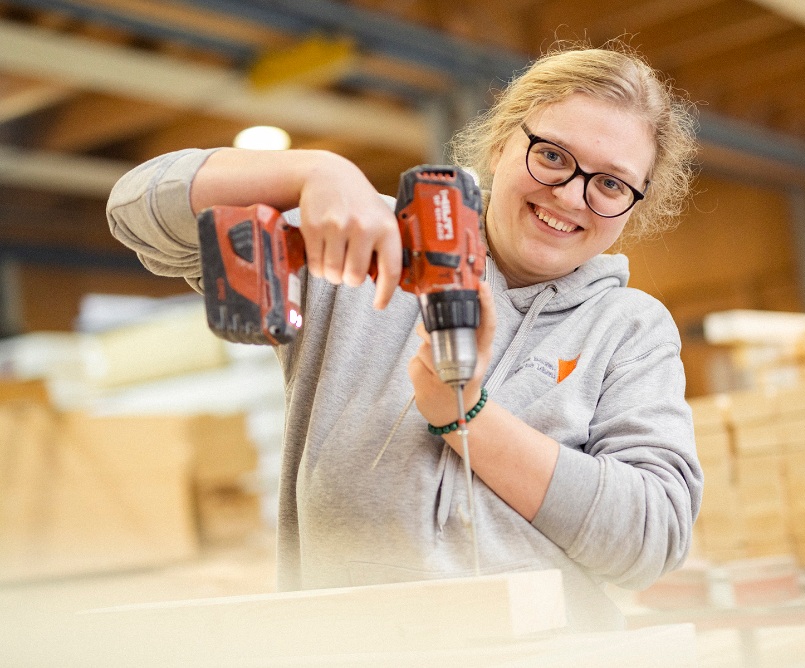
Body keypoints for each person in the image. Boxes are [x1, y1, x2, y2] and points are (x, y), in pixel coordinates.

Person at [106, 39, 703, 631]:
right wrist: (312, 172)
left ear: (632, 206)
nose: (570, 194)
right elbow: (135, 211)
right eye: (551, 155)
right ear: (501, 145)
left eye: (611, 184)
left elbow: (649, 542)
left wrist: (466, 416)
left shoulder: (631, 328)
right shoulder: (365, 243)